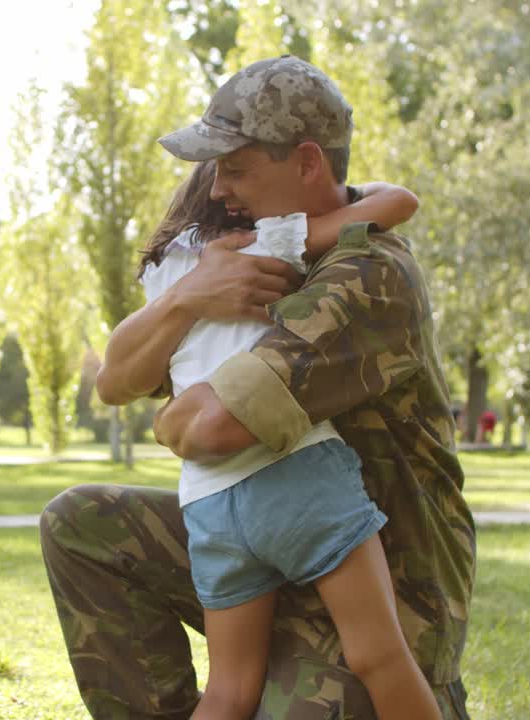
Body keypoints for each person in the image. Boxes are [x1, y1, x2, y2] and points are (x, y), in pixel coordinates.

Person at [40, 55, 475, 719]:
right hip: (266, 542)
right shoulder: (234, 262)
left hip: (380, 587)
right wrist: (187, 296)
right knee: (82, 525)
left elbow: (211, 427)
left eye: (236, 167)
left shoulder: (368, 272)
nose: (217, 190)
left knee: (306, 684)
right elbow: (117, 380)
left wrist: (170, 422)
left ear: (305, 164)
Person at [136, 157, 437, 720]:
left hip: (208, 502)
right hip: (295, 474)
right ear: (231, 206)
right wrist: (351, 192)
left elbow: (126, 370)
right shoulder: (262, 241)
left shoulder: (164, 274)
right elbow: (397, 204)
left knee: (228, 689)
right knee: (380, 654)